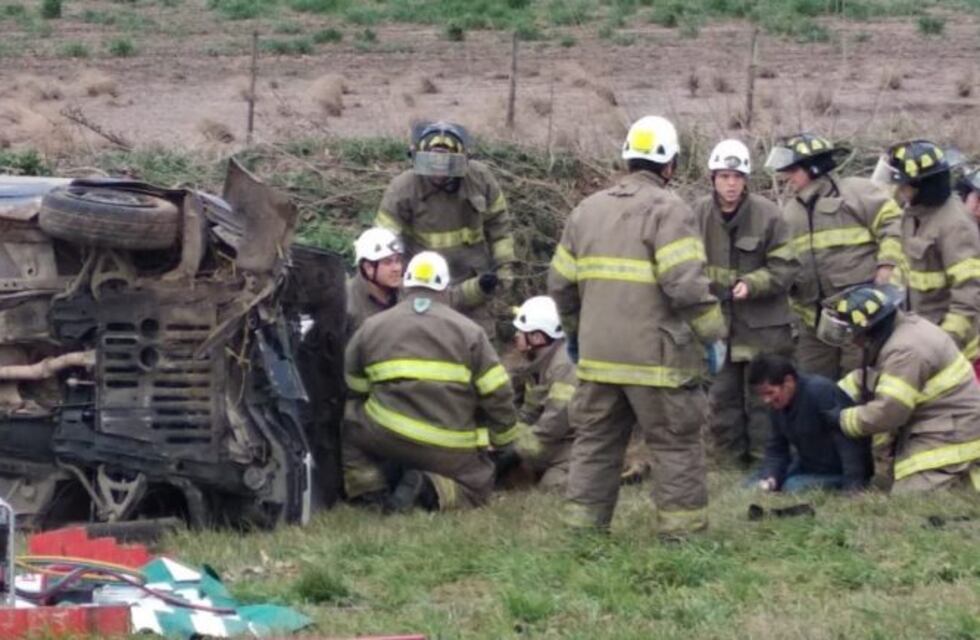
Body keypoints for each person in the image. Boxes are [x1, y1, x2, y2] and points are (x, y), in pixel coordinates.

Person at [548, 115, 726, 537]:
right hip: (657, 362)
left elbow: (559, 283)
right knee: (675, 445)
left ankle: (582, 533)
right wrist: (713, 335)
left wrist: (575, 333)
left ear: (627, 158)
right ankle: (682, 537)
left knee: (594, 444)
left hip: (597, 358)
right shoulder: (670, 210)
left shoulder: (586, 211)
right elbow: (684, 285)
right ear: (670, 165)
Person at [343, 251, 517, 512]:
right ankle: (428, 489)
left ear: (406, 284)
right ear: (445, 288)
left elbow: (355, 385)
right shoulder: (471, 332)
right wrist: (503, 442)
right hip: (448, 449)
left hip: (388, 436)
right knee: (477, 484)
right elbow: (498, 393)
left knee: (350, 421)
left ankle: (370, 493)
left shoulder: (372, 327)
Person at [765, 133, 904, 380]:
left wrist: (887, 265)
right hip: (814, 327)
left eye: (793, 170)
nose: (787, 178)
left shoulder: (856, 192)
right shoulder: (790, 212)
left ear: (814, 168)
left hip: (859, 320)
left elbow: (893, 223)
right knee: (813, 386)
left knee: (856, 383)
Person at [695, 139, 799, 467]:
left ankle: (764, 462)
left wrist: (752, 284)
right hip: (718, 327)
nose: (731, 184)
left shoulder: (769, 215)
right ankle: (726, 464)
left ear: (746, 181)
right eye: (724, 176)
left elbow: (786, 268)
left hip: (763, 329)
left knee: (763, 400)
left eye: (737, 177)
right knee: (721, 398)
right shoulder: (695, 216)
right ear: (713, 177)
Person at [820, 284, 980, 492]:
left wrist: (844, 420)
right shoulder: (902, 330)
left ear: (869, 330)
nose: (854, 343)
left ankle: (967, 481)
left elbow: (889, 412)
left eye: (855, 335)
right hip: (941, 420)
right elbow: (875, 378)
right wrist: (833, 393)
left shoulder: (905, 351)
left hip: (952, 432)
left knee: (910, 496)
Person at [374, 121, 516, 338]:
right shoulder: (403, 188)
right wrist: (391, 280)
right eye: (430, 164)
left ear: (464, 160)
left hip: (474, 286)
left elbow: (500, 227)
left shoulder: (480, 179)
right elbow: (383, 242)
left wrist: (504, 267)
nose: (438, 172)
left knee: (477, 346)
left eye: (447, 164)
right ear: (416, 158)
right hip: (422, 287)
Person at [875, 140, 980, 359]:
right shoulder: (914, 214)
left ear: (923, 187)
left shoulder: (956, 225)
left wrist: (945, 346)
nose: (900, 190)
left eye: (904, 185)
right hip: (918, 333)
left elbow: (969, 296)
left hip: (955, 348)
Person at [748, 353, 871, 492]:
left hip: (838, 470)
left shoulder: (820, 392)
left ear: (788, 382)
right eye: (762, 395)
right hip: (808, 465)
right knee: (752, 486)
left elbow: (848, 442)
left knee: (793, 487)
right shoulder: (777, 405)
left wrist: (853, 486)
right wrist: (771, 478)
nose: (766, 400)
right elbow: (776, 449)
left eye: (770, 393)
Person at [501, 296, 577, 491]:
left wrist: (516, 452)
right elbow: (528, 412)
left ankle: (615, 474)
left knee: (552, 485)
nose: (516, 335)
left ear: (537, 337)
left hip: (577, 442)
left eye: (521, 331)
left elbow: (554, 424)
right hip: (558, 441)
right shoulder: (536, 364)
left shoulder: (565, 367)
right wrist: (504, 443)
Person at [346, 227, 404, 336]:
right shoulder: (346, 301)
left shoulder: (409, 292)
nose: (397, 268)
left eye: (398, 260)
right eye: (388, 262)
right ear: (369, 268)